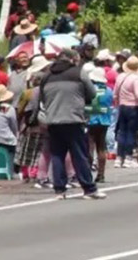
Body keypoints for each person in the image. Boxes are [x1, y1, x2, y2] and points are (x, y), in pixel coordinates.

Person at [40, 50, 105, 199]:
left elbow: (43, 98)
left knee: (57, 154)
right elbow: (92, 93)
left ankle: (59, 189)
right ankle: (89, 188)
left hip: (53, 120)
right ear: (72, 59)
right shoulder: (78, 73)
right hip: (73, 118)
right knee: (80, 154)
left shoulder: (47, 75)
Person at [86, 68, 113, 184]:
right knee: (101, 147)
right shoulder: (108, 90)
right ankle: (101, 174)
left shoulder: (89, 90)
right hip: (104, 120)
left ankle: (87, 173)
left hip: (91, 120)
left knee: (89, 146)